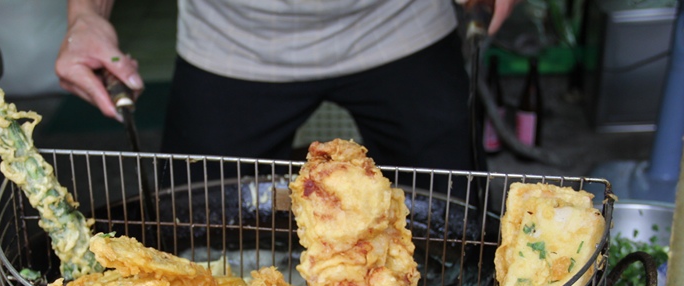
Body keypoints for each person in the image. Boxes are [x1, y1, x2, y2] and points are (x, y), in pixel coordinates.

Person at [56, 0, 518, 180]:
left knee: (457, 217)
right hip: (231, 35)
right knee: (192, 227)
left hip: (400, 22)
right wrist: (86, 16)